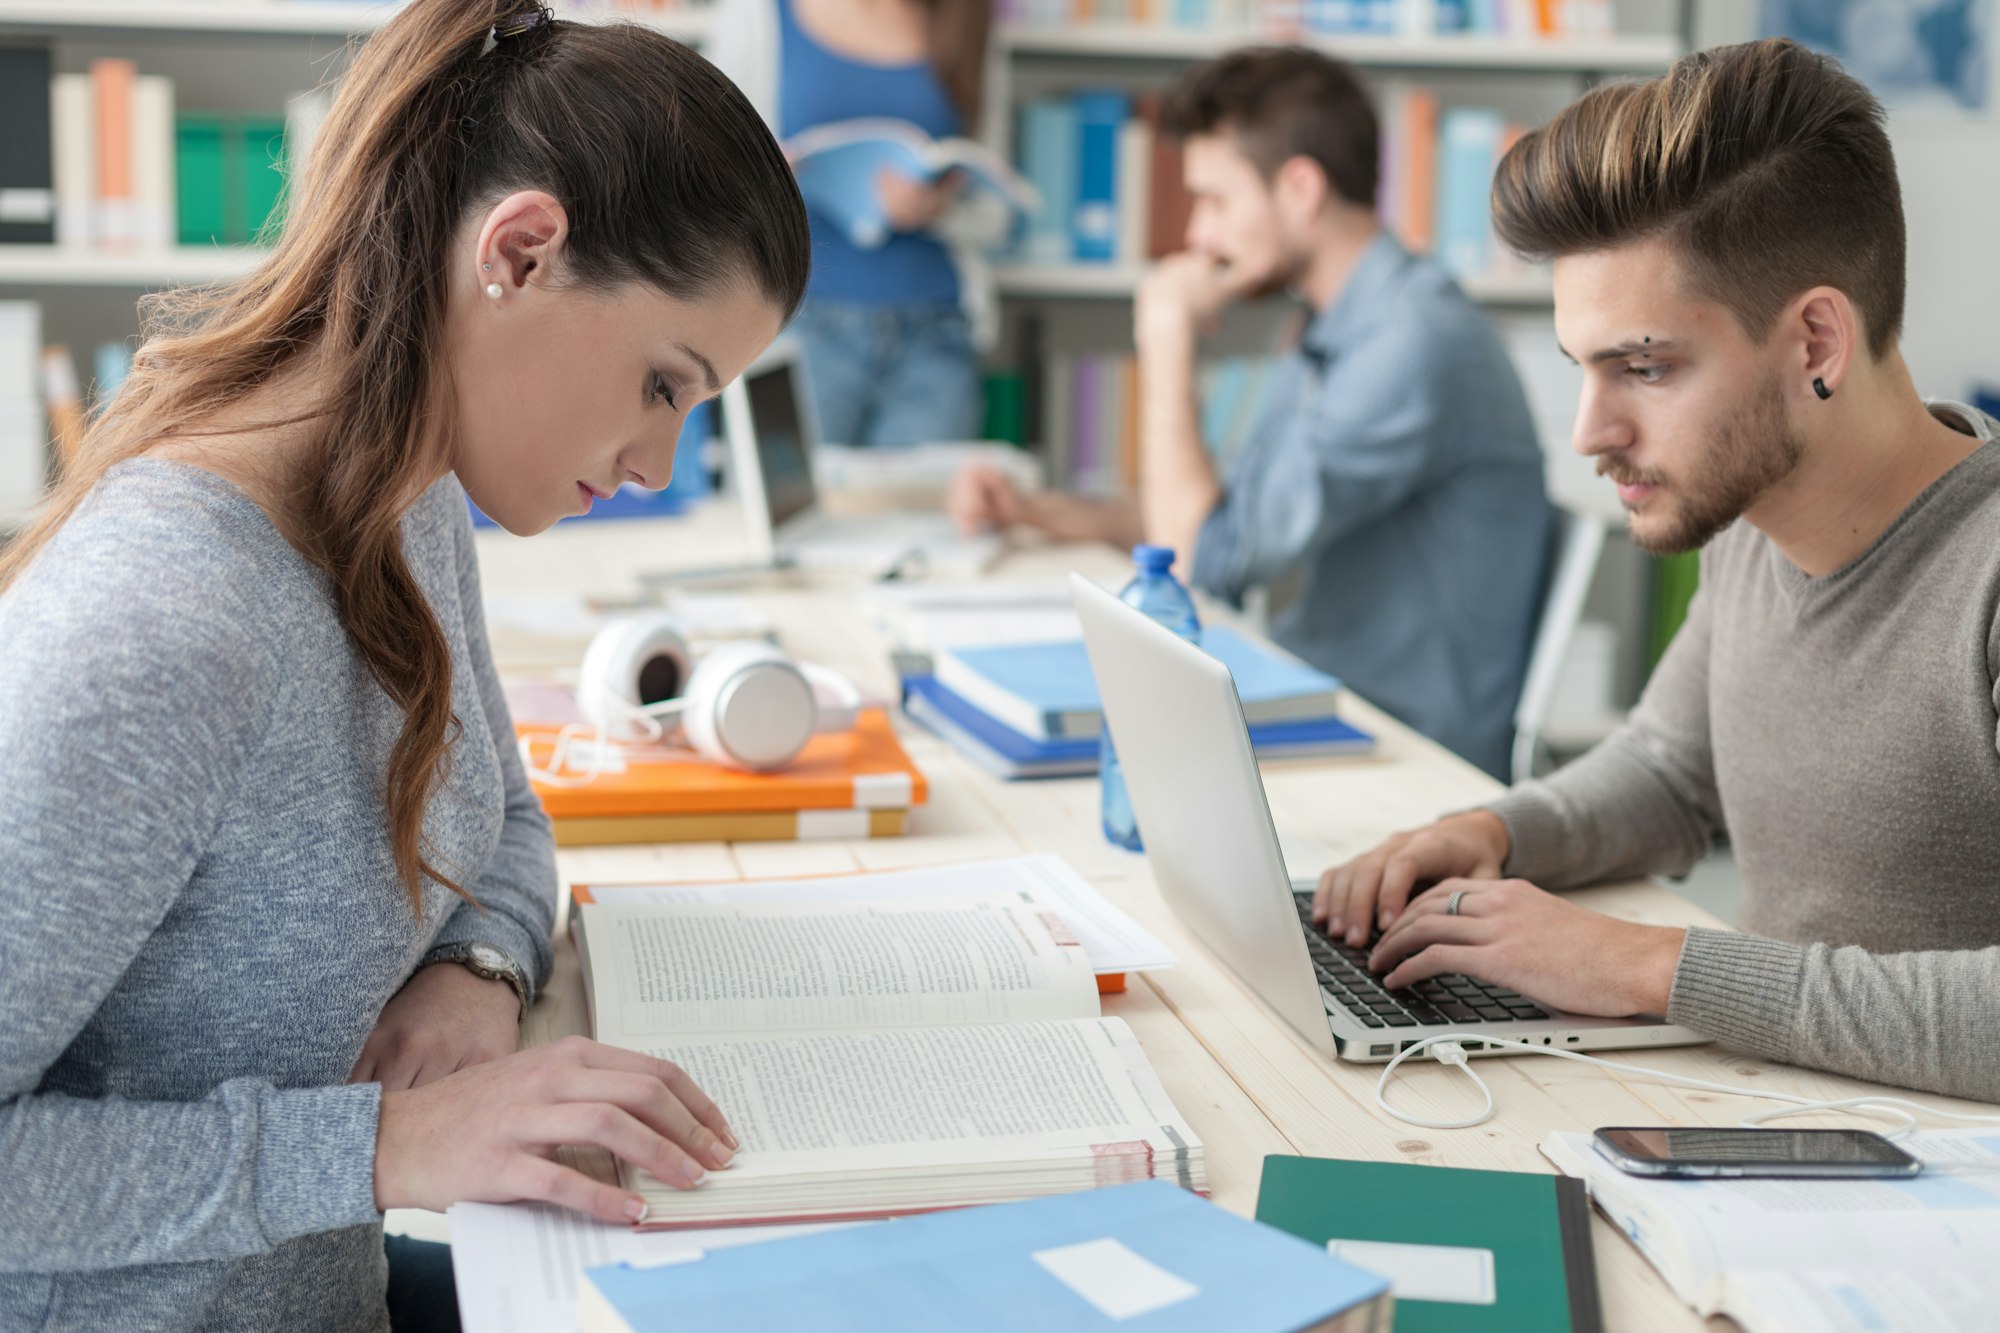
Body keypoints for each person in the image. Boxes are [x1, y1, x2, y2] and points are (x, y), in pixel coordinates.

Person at [0, 2, 811, 1328]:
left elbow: (503, 817)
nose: (658, 465)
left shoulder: (408, 494)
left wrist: (479, 968)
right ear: (522, 251)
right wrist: (380, 1145)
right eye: (666, 385)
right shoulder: (158, 631)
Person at [1315, 37, 2000, 1104]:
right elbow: (1671, 772)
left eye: (1642, 367)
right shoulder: (1744, 514)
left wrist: (1640, 965)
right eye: (1580, 371)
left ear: (1814, 342)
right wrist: (1488, 833)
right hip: (1779, 1116)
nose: (1589, 433)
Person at [948, 48, 1552, 778]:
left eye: (1216, 200)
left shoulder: (1411, 344)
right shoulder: (1330, 320)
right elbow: (1217, 517)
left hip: (1404, 753)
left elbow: (1201, 558)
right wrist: (1035, 510)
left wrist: (1164, 336)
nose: (1199, 236)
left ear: (1300, 187)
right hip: (1320, 700)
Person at [708, 0, 1006, 447]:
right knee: (796, 509)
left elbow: (997, 212)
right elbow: (701, 166)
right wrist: (763, 177)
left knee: (925, 515)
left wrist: (940, 209)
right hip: (796, 326)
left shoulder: (969, 25)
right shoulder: (760, 15)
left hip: (936, 334)